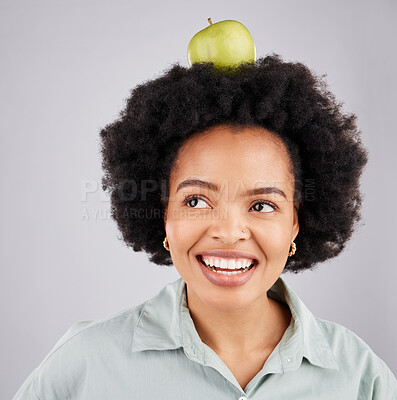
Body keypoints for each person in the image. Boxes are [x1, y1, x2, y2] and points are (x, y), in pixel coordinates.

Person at [13, 54, 397, 399]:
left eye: (262, 205)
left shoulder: (360, 377)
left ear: (296, 222)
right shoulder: (85, 365)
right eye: (196, 201)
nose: (229, 233)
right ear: (163, 214)